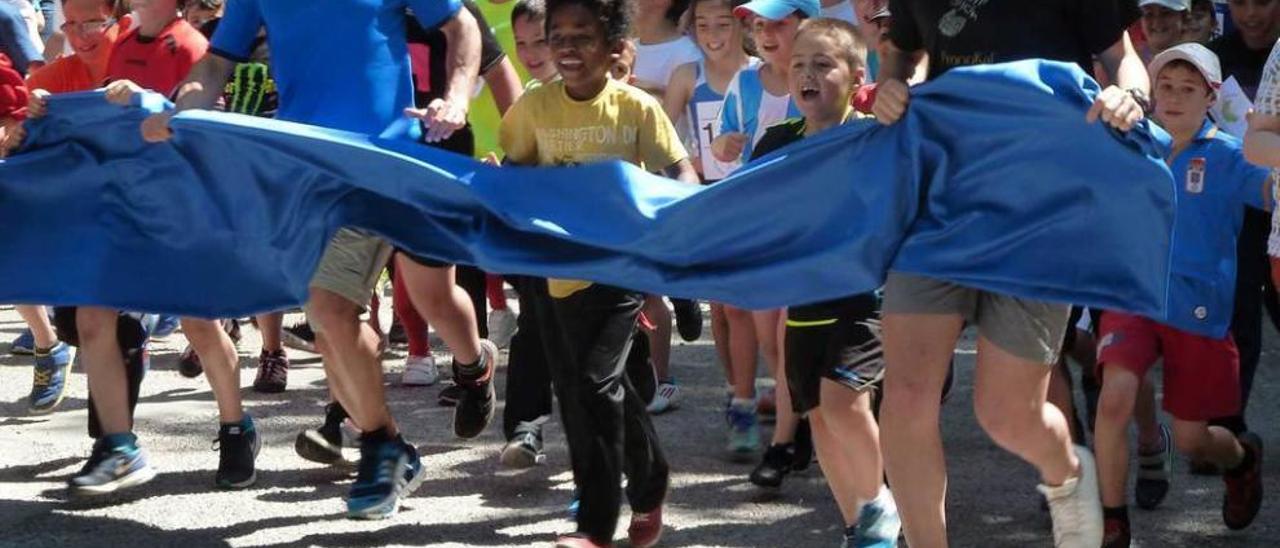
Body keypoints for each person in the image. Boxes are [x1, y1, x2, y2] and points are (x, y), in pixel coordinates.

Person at [140, 0, 489, 519]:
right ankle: (384, 445)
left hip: (389, 157)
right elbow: (217, 63)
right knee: (330, 313)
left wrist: (455, 97)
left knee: (433, 297)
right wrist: (182, 109)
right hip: (312, 169)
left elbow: (460, 24)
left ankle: (474, 364)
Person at [871, 0, 1148, 546]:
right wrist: (891, 87)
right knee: (904, 393)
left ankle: (1067, 474)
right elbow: (901, 55)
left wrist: (1130, 95)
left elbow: (1123, 58)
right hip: (941, 198)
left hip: (1039, 208)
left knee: (1005, 414)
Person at [497, 0, 700, 543]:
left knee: (594, 383)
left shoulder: (634, 108)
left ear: (613, 49)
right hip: (554, 272)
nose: (566, 46)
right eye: (557, 35)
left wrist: (688, 208)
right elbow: (513, 172)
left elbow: (677, 168)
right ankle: (652, 478)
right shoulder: (535, 108)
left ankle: (595, 525)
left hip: (617, 269)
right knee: (585, 389)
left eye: (582, 36)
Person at [1095, 43, 1267, 548]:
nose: (1172, 98)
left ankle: (1241, 459)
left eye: (1187, 89)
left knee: (1194, 441)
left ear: (1210, 97)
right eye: (1165, 87)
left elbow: (1270, 193)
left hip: (1199, 309)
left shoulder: (1229, 156)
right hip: (1133, 295)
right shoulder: (1132, 142)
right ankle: (1112, 521)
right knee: (1114, 399)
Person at [751, 16, 901, 547]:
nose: (806, 74)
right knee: (819, 416)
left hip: (864, 302)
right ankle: (859, 528)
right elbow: (744, 213)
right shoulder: (774, 142)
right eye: (798, 64)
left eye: (823, 64)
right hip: (802, 309)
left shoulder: (871, 140)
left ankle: (882, 509)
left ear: (858, 75)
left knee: (844, 403)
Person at [710, 0, 814, 489]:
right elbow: (724, 142)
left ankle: (789, 435)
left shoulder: (823, 80)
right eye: (758, 25)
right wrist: (724, 145)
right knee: (768, 331)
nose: (768, 34)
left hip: (808, 229)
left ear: (806, 24)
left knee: (789, 335)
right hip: (759, 222)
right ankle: (791, 419)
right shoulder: (746, 83)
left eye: (780, 23)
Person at [1204, 0, 1280, 453]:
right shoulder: (1214, 56)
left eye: (1263, 2)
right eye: (1240, 3)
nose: (1251, 14)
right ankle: (1228, 425)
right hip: (1241, 209)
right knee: (1238, 314)